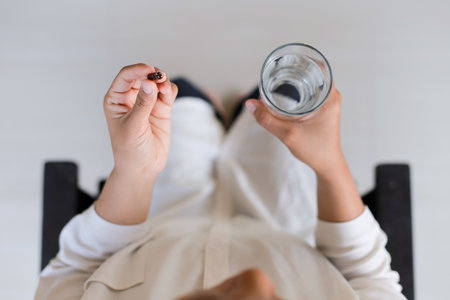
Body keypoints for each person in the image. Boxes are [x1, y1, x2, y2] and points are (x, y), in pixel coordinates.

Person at [35, 63, 406, 300]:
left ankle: (215, 112)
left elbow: (77, 266)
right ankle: (231, 118)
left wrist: (135, 171)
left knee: (183, 92)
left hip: (161, 220)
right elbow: (363, 271)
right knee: (276, 99)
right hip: (283, 223)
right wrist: (328, 163)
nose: (257, 281)